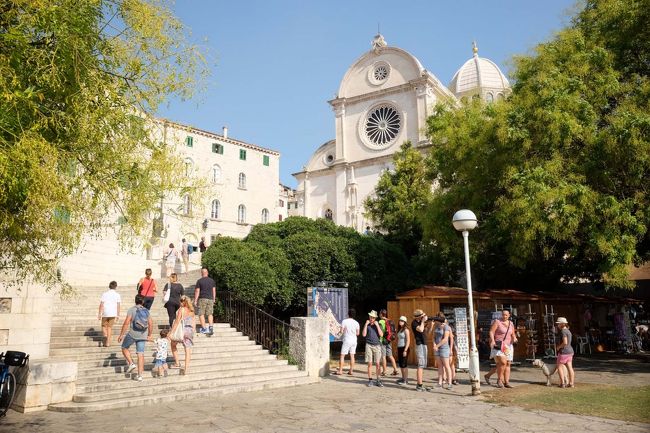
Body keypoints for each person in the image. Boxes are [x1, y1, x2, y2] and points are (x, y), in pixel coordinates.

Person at [117, 295, 153, 382]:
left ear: (135, 301)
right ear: (143, 302)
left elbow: (126, 323)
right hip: (143, 335)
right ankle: (140, 376)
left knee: (124, 347)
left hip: (132, 334)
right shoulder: (146, 311)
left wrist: (121, 335)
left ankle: (131, 363)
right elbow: (151, 324)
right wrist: (149, 334)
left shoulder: (132, 310)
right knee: (140, 354)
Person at [488, 309, 518, 388]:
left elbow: (513, 333)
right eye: (503, 314)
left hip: (508, 346)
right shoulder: (497, 322)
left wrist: (514, 338)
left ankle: (506, 382)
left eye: (506, 315)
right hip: (499, 344)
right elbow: (491, 332)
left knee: (507, 364)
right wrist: (493, 341)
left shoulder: (511, 323)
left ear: (509, 315)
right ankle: (499, 380)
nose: (504, 316)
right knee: (503, 362)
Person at [170, 295, 196, 374]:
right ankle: (186, 369)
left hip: (182, 330)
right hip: (189, 330)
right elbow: (194, 323)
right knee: (187, 349)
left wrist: (171, 332)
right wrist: (193, 332)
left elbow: (177, 321)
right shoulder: (191, 311)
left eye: (181, 301)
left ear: (184, 302)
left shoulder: (181, 309)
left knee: (173, 344)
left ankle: (177, 363)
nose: (180, 302)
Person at [362, 310, 384, 387]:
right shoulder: (367, 325)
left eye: (373, 317)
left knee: (378, 364)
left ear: (375, 318)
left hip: (377, 345)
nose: (371, 319)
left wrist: (377, 325)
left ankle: (378, 380)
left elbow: (381, 335)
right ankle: (370, 380)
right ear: (369, 317)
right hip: (369, 345)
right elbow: (364, 335)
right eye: (371, 317)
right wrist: (365, 324)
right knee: (370, 363)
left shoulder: (379, 325)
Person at [412, 309, 431, 392]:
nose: (424, 316)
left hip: (424, 344)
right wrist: (423, 321)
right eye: (422, 315)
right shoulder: (414, 323)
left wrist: (430, 323)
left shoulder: (421, 322)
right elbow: (421, 330)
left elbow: (426, 331)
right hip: (419, 345)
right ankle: (419, 385)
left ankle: (421, 383)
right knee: (420, 365)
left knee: (423, 365)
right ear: (418, 317)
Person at [97, 281, 121, 347]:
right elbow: (118, 305)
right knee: (110, 327)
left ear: (109, 286)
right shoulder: (117, 295)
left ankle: (105, 335)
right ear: (115, 287)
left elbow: (101, 304)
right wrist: (118, 315)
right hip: (113, 313)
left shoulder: (104, 294)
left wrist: (99, 313)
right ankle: (108, 342)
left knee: (104, 326)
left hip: (105, 312)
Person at [432, 313, 453, 390]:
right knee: (440, 366)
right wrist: (434, 345)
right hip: (437, 349)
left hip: (444, 348)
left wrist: (437, 346)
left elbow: (445, 339)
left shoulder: (446, 327)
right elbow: (433, 337)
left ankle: (449, 383)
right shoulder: (436, 326)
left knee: (447, 366)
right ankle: (440, 382)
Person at [336, 309, 360, 375]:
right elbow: (358, 333)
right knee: (352, 355)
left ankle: (340, 371)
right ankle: (351, 371)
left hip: (347, 340)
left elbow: (341, 331)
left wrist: (339, 332)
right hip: (354, 340)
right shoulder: (356, 323)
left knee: (342, 355)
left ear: (348, 314)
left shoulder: (344, 321)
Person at [194, 268, 216, 336]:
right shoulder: (212, 281)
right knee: (210, 314)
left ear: (201, 273)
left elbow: (197, 291)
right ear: (207, 273)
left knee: (201, 313)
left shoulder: (199, 281)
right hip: (210, 298)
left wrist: (195, 300)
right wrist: (214, 299)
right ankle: (211, 328)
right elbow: (214, 290)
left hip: (202, 298)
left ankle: (204, 329)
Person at [555, 317, 575, 388]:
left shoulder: (563, 331)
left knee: (559, 366)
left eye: (558, 324)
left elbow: (565, 342)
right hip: (570, 351)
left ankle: (562, 383)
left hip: (564, 352)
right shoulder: (568, 331)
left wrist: (558, 347)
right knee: (570, 367)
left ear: (562, 324)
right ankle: (571, 383)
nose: (558, 325)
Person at [378, 309, 398, 376]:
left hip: (383, 340)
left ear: (381, 314)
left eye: (379, 313)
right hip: (389, 340)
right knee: (390, 355)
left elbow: (380, 331)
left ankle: (384, 371)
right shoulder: (389, 320)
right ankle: (395, 370)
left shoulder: (381, 321)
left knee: (383, 356)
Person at [396, 315, 410, 385]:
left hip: (404, 348)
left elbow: (408, 340)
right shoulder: (400, 329)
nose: (400, 322)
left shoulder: (406, 330)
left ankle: (406, 380)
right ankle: (403, 378)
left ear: (405, 322)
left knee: (404, 365)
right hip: (399, 348)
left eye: (402, 321)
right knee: (401, 364)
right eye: (400, 320)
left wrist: (405, 350)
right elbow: (398, 340)